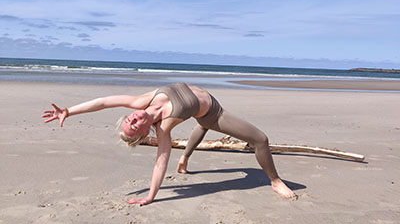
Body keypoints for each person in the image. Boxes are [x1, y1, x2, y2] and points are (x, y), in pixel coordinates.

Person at [42, 82, 297, 204]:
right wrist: (151, 196)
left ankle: (186, 158)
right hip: (214, 112)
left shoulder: (140, 101)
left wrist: (68, 111)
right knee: (260, 139)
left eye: (128, 119)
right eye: (132, 125)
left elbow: (103, 101)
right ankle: (275, 180)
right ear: (142, 133)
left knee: (201, 126)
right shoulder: (163, 129)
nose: (131, 118)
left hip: (208, 102)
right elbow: (160, 163)